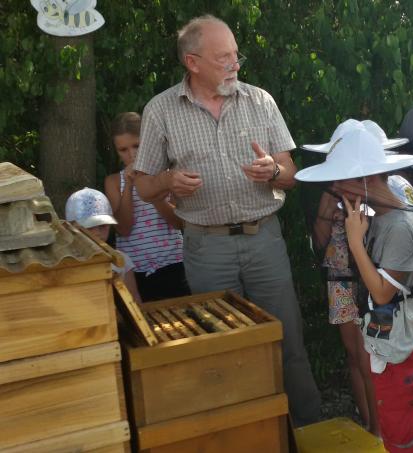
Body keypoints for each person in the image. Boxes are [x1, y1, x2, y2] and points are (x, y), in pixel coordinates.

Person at [132, 15, 320, 425]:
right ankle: (247, 433)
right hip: (206, 246)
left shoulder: (260, 100)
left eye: (236, 55)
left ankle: (308, 432)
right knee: (224, 346)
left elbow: (291, 174)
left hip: (264, 241)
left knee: (288, 340)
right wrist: (168, 180)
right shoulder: (161, 110)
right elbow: (144, 186)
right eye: (224, 58)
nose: (235, 65)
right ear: (192, 62)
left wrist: (273, 171)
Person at [296, 128, 413, 453]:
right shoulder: (378, 216)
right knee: (396, 424)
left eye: (343, 181)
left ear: (367, 179)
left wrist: (355, 242)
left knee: (402, 436)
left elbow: (383, 292)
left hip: (400, 351)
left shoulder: (400, 227)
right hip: (387, 347)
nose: (337, 188)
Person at [103, 112, 189, 302]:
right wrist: (130, 186)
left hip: (173, 263)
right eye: (123, 150)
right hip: (135, 271)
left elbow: (178, 223)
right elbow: (123, 229)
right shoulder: (114, 181)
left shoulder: (166, 175)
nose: (132, 155)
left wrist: (151, 191)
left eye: (136, 146)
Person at [65, 187, 143, 303]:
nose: (97, 232)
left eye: (103, 226)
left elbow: (135, 301)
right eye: (89, 227)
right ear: (72, 229)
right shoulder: (66, 264)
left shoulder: (122, 260)